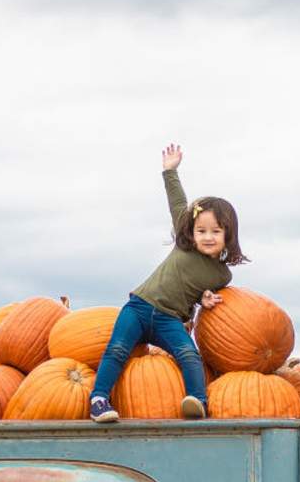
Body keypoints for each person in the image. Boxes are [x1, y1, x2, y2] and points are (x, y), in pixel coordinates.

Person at [89, 144, 248, 422]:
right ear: (192, 231)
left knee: (189, 354)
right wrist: (169, 171)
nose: (207, 236)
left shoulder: (223, 275)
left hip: (169, 319)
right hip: (139, 307)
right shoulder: (184, 244)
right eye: (201, 230)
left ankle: (197, 402)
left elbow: (202, 292)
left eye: (215, 231)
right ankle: (99, 400)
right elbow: (177, 203)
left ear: (228, 235)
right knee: (117, 349)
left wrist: (205, 298)